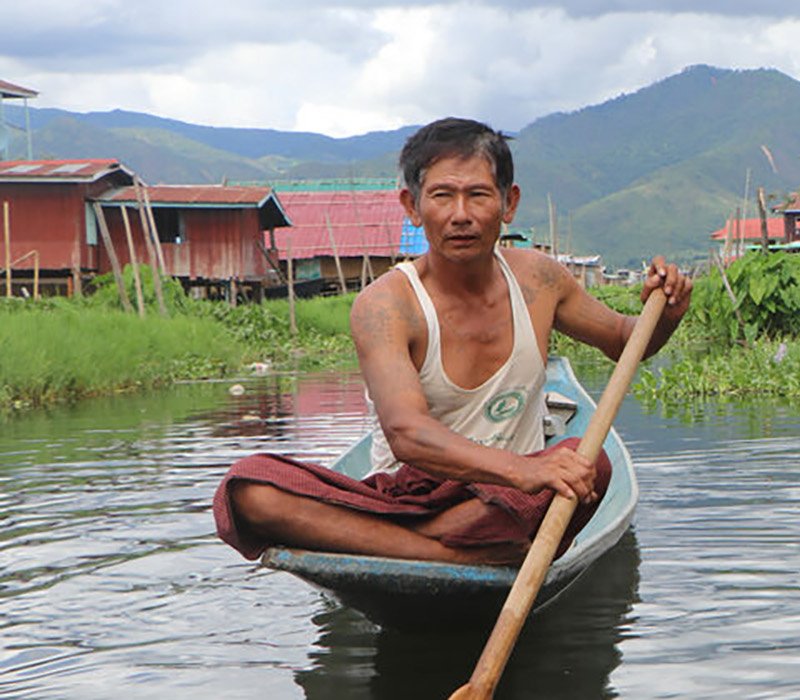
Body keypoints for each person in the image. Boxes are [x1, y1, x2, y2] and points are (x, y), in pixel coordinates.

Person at [213, 117, 692, 565]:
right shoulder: (386, 304)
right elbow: (407, 434)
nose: (461, 215)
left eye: (478, 195)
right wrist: (522, 471)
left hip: (506, 503)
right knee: (249, 490)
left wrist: (664, 313)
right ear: (412, 207)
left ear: (509, 203)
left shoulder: (539, 279)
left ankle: (419, 543)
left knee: (589, 462)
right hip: (408, 498)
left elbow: (627, 341)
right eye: (442, 195)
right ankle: (454, 555)